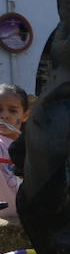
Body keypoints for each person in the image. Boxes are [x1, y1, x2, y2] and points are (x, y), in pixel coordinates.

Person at [0, 83, 30, 220]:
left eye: (12, 111)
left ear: (25, 115)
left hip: (29, 218)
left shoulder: (32, 147)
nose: (4, 115)